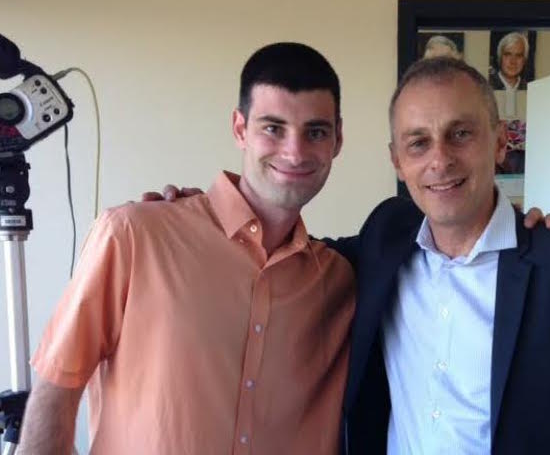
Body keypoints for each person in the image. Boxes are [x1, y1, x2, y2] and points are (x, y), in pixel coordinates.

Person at [17, 42, 358, 455]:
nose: (295, 151)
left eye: (316, 132)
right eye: (273, 127)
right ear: (239, 128)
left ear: (338, 139)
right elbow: (56, 389)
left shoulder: (339, 278)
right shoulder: (135, 235)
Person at [336, 57, 550, 454]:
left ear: (499, 142)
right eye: (418, 142)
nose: (440, 160)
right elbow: (287, 252)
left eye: (460, 133)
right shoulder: (384, 240)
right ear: (397, 160)